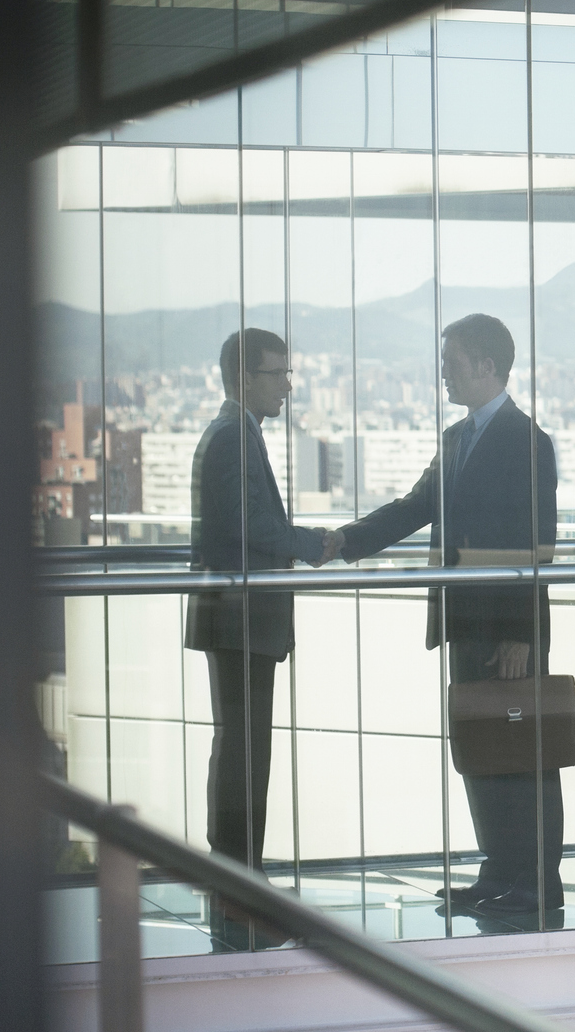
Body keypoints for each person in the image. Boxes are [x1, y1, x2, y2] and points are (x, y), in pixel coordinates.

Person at [330, 313, 562, 927]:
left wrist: (522, 633)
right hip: (464, 621)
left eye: (452, 361)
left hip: (508, 630)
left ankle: (537, 882)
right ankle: (498, 871)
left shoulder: (527, 440)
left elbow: (538, 544)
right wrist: (341, 541)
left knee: (522, 756)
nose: (442, 373)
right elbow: (414, 508)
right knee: (481, 750)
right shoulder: (457, 439)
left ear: (487, 365)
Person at [185, 328, 327, 890]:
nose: (288, 387)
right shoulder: (233, 438)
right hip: (239, 616)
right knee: (245, 746)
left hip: (238, 615)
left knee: (242, 742)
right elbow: (253, 526)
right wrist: (313, 544)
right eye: (279, 374)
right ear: (245, 379)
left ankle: (238, 864)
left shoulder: (237, 433)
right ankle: (239, 868)